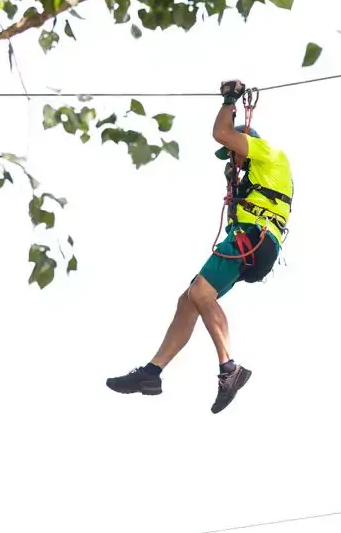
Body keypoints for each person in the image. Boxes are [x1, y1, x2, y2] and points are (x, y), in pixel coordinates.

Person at [106, 80, 294, 414]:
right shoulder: (257, 173)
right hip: (253, 240)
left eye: (234, 153)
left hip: (253, 236)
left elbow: (222, 132)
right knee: (190, 298)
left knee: (202, 294)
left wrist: (230, 100)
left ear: (247, 144)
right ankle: (152, 373)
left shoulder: (268, 153)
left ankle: (229, 369)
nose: (232, 160)